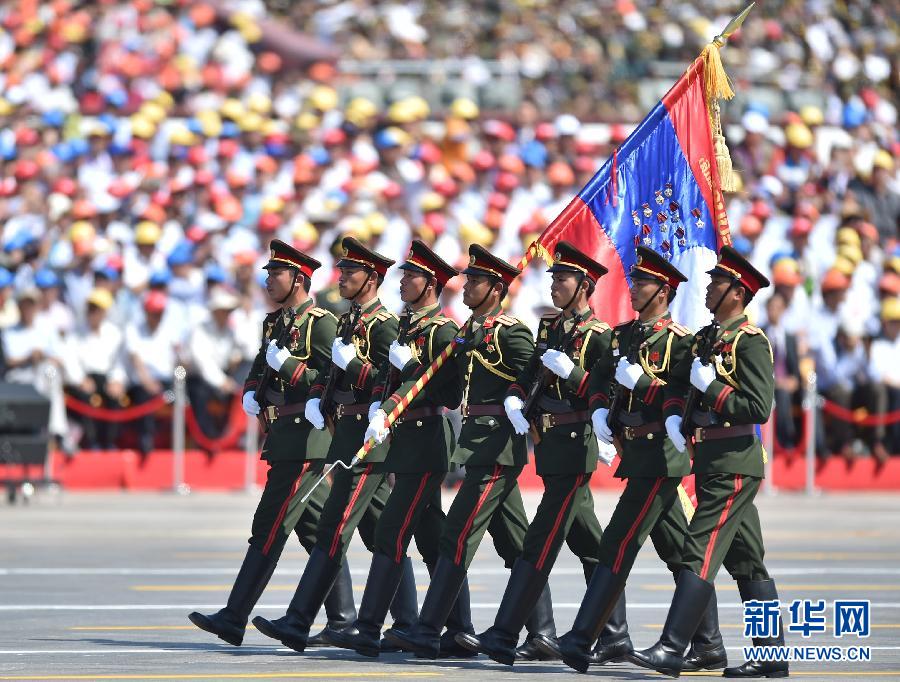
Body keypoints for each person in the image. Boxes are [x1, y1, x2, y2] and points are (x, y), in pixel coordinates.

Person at [553, 246, 725, 673]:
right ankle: (709, 643)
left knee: (617, 541)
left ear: (663, 292)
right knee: (679, 552)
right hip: (638, 453)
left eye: (642, 284)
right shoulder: (622, 335)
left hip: (661, 455)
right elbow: (598, 380)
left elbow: (684, 396)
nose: (632, 289)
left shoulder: (681, 342)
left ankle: (581, 637)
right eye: (632, 282)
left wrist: (646, 386)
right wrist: (597, 408)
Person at [455, 241, 626, 667]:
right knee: (591, 543)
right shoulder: (552, 330)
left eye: (562, 279)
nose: (553, 286)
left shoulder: (600, 336)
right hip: (551, 445)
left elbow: (610, 391)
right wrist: (515, 398)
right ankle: (615, 631)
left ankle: (505, 631)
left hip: (576, 444)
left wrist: (579, 378)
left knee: (540, 540)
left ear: (584, 286)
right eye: (552, 279)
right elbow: (529, 375)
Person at [627, 246, 788, 678]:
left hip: (734, 460)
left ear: (737, 293)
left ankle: (673, 646)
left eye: (718, 283)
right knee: (747, 560)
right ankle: (772, 659)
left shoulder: (750, 342)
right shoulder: (706, 338)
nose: (709, 287)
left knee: (698, 548)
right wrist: (678, 412)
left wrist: (714, 388)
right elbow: (680, 385)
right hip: (711, 457)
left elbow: (757, 407)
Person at [253, 237, 418, 652]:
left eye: (350, 271)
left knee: (335, 526)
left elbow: (391, 380)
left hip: (371, 436)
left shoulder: (383, 325)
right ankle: (410, 623)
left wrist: (354, 369)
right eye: (341, 270)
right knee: (383, 532)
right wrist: (318, 397)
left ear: (371, 279)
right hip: (346, 432)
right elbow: (331, 376)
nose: (341, 276)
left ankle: (299, 619)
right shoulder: (348, 321)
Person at [188, 239, 355, 647]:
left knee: (269, 526)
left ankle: (235, 615)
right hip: (285, 437)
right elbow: (261, 364)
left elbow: (332, 379)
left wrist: (293, 369)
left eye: (275, 273)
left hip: (306, 440)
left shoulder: (322, 322)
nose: (267, 279)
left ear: (299, 279)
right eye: (267, 272)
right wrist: (251, 389)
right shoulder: (275, 322)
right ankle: (343, 619)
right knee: (316, 531)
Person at [384, 244, 535, 659]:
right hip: (478, 445)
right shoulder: (471, 330)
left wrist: (518, 399)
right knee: (517, 546)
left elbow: (532, 376)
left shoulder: (510, 330)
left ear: (495, 288)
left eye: (475, 281)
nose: (466, 286)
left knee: (456, 535)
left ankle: (430, 628)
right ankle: (541, 632)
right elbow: (451, 390)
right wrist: (414, 366)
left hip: (498, 446)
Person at [329, 239, 473, 658]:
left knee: (391, 531)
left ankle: (369, 627)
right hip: (403, 439)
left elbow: (446, 393)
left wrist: (410, 366)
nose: (403, 281)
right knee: (431, 539)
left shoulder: (444, 330)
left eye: (411, 276)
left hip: (426, 439)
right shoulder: (409, 327)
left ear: (431, 285)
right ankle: (460, 629)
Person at [63, 288, 127, 450]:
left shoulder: (114, 333)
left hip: (105, 378)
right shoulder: (75, 333)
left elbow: (119, 362)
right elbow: (70, 360)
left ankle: (109, 441)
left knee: (115, 398)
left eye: (97, 309)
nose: (93, 313)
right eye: (91, 308)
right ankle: (91, 442)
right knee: (84, 398)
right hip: (83, 379)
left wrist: (117, 380)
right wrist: (80, 380)